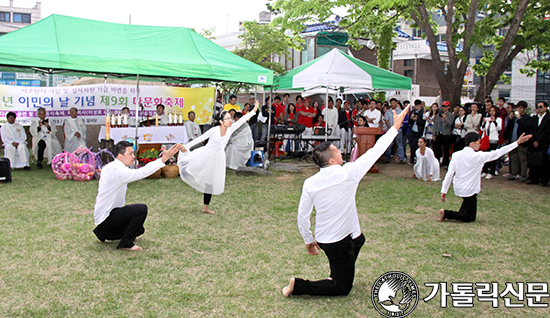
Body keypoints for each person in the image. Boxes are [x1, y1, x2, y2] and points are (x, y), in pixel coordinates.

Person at [282, 104, 410, 297]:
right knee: (342, 288)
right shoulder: (349, 173)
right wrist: (395, 127)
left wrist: (308, 239)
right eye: (336, 151)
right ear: (332, 160)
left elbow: (303, 215)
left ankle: (342, 269)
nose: (340, 152)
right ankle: (298, 285)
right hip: (337, 242)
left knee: (359, 239)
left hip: (328, 237)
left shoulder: (310, 182)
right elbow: (376, 151)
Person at [93, 141, 180, 251]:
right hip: (107, 216)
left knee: (139, 230)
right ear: (120, 156)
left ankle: (102, 232)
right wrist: (163, 159)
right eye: (130, 154)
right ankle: (125, 243)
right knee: (140, 209)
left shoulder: (113, 167)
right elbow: (140, 173)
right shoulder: (117, 170)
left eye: (133, 153)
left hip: (105, 216)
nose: (133, 156)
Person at [177, 102, 259, 214]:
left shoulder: (230, 129)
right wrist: (186, 147)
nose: (230, 120)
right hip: (207, 154)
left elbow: (241, 121)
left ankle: (205, 207)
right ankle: (189, 172)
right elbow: (200, 139)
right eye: (227, 118)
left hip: (218, 157)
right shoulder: (214, 130)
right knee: (195, 168)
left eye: (230, 118)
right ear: (221, 121)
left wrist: (253, 111)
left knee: (210, 181)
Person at [440, 132, 531, 222]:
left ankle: (451, 213)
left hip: (459, 187)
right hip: (470, 190)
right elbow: (498, 153)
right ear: (472, 144)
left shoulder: (457, 155)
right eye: (478, 142)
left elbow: (449, 174)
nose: (480, 145)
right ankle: (446, 213)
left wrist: (444, 190)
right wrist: (517, 143)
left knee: (468, 207)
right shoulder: (478, 156)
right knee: (470, 217)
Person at [504, 101, 531, 181]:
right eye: (518, 108)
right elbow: (508, 128)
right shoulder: (514, 118)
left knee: (522, 158)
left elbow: (526, 128)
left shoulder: (527, 118)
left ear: (524, 109)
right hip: (513, 140)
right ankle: (513, 173)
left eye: (521, 108)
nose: (519, 109)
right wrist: (510, 119)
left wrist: (519, 119)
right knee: (513, 157)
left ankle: (523, 174)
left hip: (522, 141)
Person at [527, 101, 550, 186]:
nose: (539, 109)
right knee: (533, 161)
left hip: (543, 143)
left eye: (541, 107)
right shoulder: (535, 118)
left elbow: (546, 131)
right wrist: (533, 140)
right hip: (533, 142)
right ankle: (534, 178)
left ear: (545, 108)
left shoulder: (548, 118)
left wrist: (538, 141)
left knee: (544, 162)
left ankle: (544, 179)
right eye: (538, 107)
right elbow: (532, 130)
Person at [479, 106, 502, 179]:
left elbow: (499, 128)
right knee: (485, 155)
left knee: (492, 156)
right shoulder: (487, 119)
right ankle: (484, 171)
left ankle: (492, 171)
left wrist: (494, 121)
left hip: (493, 139)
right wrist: (484, 122)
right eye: (490, 111)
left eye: (493, 111)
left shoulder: (499, 119)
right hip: (486, 139)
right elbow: (482, 129)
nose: (492, 112)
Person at [433, 101, 455, 167]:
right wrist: (434, 134)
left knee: (446, 149)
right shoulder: (438, 115)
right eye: (443, 106)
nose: (444, 108)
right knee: (437, 148)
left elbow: (450, 124)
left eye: (446, 106)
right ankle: (437, 162)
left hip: (446, 134)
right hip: (438, 133)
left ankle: (445, 163)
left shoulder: (451, 115)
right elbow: (435, 125)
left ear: (448, 107)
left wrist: (445, 118)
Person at [408, 99, 426, 164]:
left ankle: (419, 160)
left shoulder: (423, 112)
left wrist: (416, 119)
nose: (417, 107)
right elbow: (409, 122)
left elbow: (423, 122)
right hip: (413, 131)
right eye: (416, 106)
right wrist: (411, 118)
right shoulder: (412, 112)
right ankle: (412, 160)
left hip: (420, 131)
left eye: (418, 106)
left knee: (420, 146)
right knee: (412, 146)